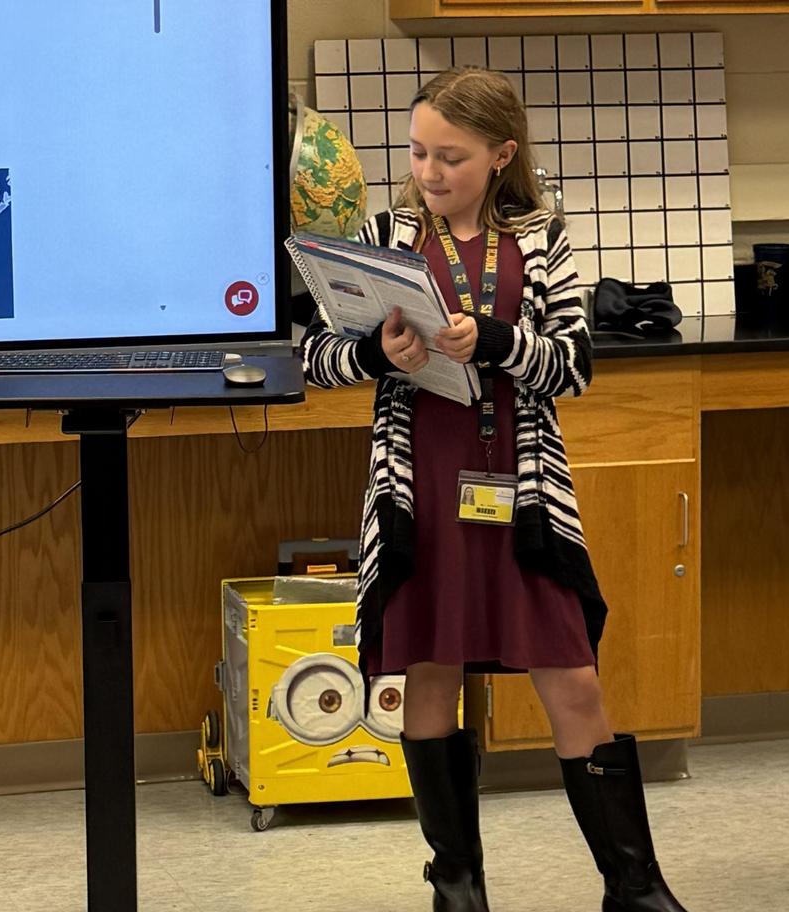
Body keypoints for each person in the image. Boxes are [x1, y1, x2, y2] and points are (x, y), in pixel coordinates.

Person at [299, 67, 687, 912]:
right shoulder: (384, 233)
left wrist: (498, 340)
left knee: (573, 678)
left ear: (501, 154)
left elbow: (572, 367)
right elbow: (314, 358)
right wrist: (375, 357)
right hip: (421, 494)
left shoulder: (541, 240)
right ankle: (458, 889)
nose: (429, 173)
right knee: (430, 676)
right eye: (417, 152)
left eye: (451, 157)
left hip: (520, 492)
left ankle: (635, 888)